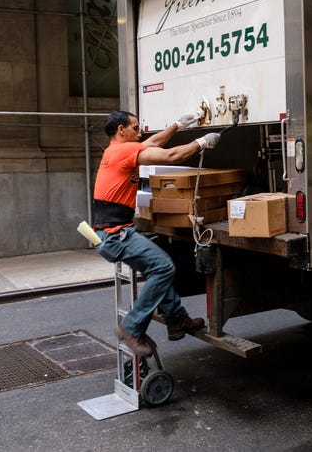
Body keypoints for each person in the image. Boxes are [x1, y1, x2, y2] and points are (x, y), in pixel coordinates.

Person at [93, 110, 221, 357]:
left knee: (156, 267)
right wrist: (201, 142)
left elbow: (150, 144)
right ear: (121, 130)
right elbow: (171, 155)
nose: (139, 133)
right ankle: (131, 328)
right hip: (117, 234)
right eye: (135, 127)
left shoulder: (114, 150)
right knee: (164, 267)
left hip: (111, 232)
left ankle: (176, 319)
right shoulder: (123, 151)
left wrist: (176, 124)